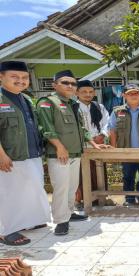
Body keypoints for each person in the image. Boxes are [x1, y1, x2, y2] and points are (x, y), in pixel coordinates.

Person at [36, 70, 105, 236]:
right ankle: (61, 221)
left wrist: (93, 143)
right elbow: (46, 128)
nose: (70, 86)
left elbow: (81, 129)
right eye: (65, 82)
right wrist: (59, 146)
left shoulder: (72, 104)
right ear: (54, 85)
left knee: (72, 187)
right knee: (61, 187)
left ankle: (69, 212)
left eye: (73, 83)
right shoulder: (48, 102)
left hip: (75, 152)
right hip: (59, 154)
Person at [0, 61, 51, 246]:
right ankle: (6, 231)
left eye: (24, 77)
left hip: (31, 153)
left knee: (30, 189)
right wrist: (1, 155)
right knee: (7, 194)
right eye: (14, 77)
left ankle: (27, 222)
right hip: (9, 156)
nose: (20, 81)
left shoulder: (27, 99)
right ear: (1, 77)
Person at [75, 80, 110, 204]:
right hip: (81, 145)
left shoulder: (99, 107)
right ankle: (83, 200)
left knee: (98, 172)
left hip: (98, 144)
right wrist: (89, 139)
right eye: (84, 92)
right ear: (77, 92)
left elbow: (107, 123)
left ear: (94, 93)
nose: (87, 94)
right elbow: (77, 127)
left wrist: (102, 135)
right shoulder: (74, 107)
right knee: (82, 173)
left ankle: (100, 199)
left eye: (90, 92)